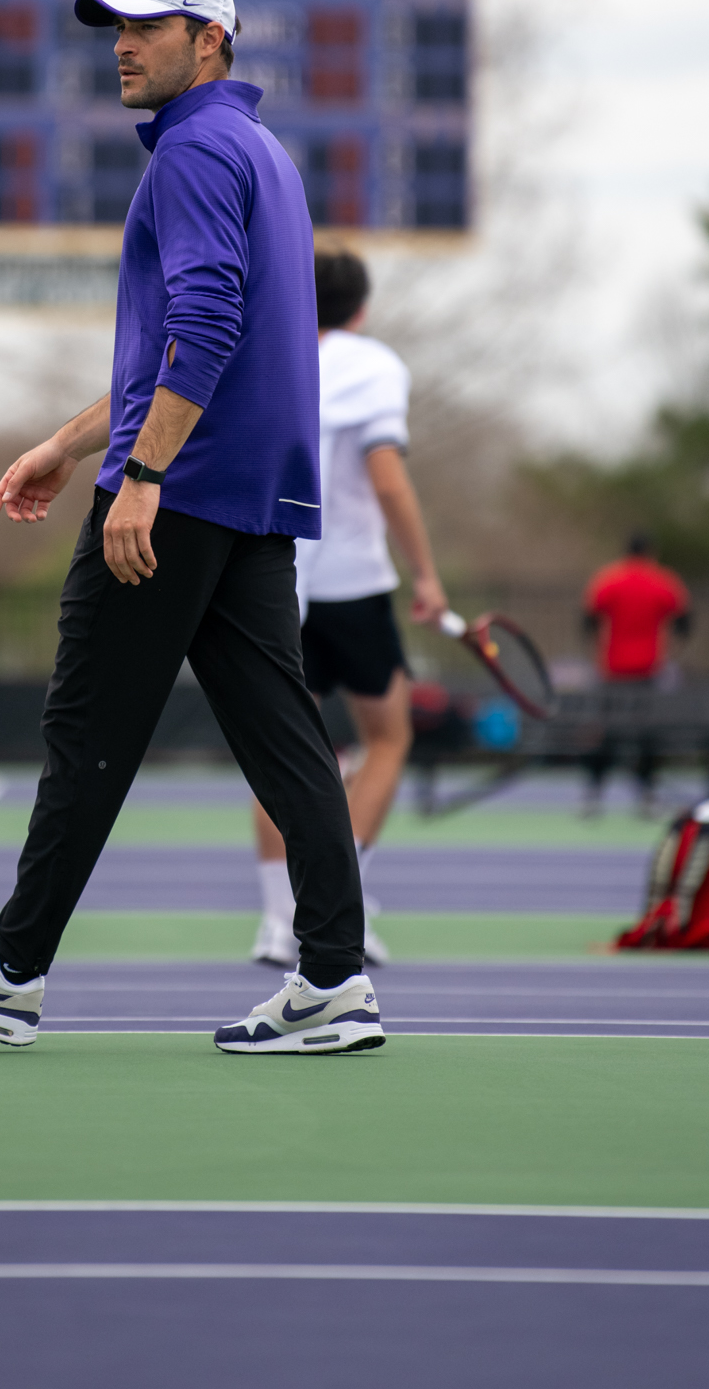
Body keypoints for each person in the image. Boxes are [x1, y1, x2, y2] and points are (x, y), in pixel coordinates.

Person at [0, 0, 384, 1056]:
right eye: (117, 24)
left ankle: (7, 971)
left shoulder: (194, 148)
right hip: (246, 494)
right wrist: (65, 441)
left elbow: (206, 318)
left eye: (153, 24)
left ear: (213, 41)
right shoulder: (258, 152)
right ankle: (334, 976)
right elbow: (187, 343)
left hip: (182, 491)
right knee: (288, 742)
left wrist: (140, 475)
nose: (123, 41)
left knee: (87, 730)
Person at [251, 249, 448, 968]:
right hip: (355, 586)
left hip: (271, 582)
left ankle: (279, 922)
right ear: (360, 310)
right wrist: (425, 574)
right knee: (388, 740)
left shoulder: (265, 353)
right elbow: (388, 480)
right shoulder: (373, 364)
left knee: (280, 755)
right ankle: (343, 908)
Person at [581, 534, 691, 815]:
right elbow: (684, 620)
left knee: (606, 732)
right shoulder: (663, 580)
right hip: (648, 669)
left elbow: (588, 618)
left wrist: (597, 646)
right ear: (651, 552)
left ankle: (594, 794)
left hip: (613, 669)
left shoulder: (609, 579)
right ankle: (646, 794)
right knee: (648, 735)